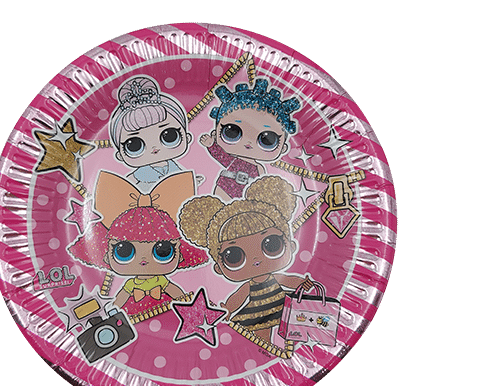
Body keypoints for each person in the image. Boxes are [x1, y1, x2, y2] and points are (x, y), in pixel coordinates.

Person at [179, 176, 312, 344]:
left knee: (293, 328)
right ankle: (272, 351)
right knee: (262, 336)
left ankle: (291, 349)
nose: (256, 260)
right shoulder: (250, 286)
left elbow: (289, 280)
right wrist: (228, 308)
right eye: (234, 256)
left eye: (271, 245)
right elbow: (239, 296)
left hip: (282, 303)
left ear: (290, 245)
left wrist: (302, 284)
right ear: (219, 267)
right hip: (257, 311)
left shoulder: (276, 277)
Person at [68, 171, 207, 316]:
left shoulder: (160, 281)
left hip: (165, 310)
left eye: (163, 251)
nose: (144, 260)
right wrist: (112, 310)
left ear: (180, 253)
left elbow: (175, 292)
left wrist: (186, 304)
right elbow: (121, 298)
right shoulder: (132, 284)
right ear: (107, 255)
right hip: (134, 315)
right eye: (124, 252)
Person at [199, 79, 301, 201]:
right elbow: (221, 156)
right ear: (216, 133)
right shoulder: (234, 161)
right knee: (219, 205)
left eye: (267, 140)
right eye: (232, 132)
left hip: (247, 196)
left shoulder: (260, 169)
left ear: (283, 148)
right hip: (225, 189)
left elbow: (262, 184)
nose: (248, 142)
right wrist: (211, 145)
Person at [110, 75, 202, 193]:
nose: (154, 148)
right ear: (120, 155)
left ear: (187, 137)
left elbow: (181, 180)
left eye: (169, 136)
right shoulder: (139, 176)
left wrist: (191, 182)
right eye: (134, 146)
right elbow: (126, 186)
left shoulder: (173, 168)